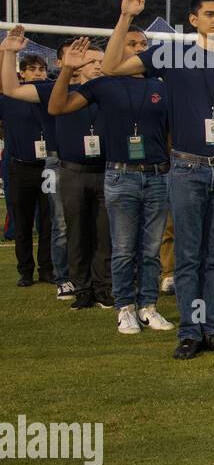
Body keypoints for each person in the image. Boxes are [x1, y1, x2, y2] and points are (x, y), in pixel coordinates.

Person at [99, 0, 214, 359]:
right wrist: (126, 16)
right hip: (187, 168)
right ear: (193, 19)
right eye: (211, 14)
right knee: (188, 256)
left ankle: (211, 330)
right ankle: (189, 332)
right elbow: (110, 66)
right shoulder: (170, 55)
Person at [44, 35, 175, 334]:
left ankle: (148, 307)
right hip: (121, 174)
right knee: (124, 247)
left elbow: (169, 130)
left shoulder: (161, 86)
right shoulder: (104, 84)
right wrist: (67, 70)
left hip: (157, 174)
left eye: (143, 44)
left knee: (151, 248)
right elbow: (57, 107)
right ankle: (125, 308)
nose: (140, 49)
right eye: (132, 44)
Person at [7, 37, 114, 311]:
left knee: (103, 233)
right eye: (93, 62)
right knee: (70, 230)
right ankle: (79, 287)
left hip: (106, 170)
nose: (99, 66)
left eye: (103, 62)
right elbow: (10, 88)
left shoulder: (111, 92)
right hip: (69, 169)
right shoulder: (54, 90)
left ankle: (103, 288)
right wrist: (8, 53)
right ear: (77, 64)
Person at [0, 42, 56, 287]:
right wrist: (6, 52)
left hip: (48, 168)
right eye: (32, 69)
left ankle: (47, 269)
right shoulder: (9, 99)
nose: (38, 73)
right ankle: (25, 271)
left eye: (42, 69)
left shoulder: (51, 95)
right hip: (20, 167)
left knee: (48, 221)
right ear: (21, 73)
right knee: (21, 222)